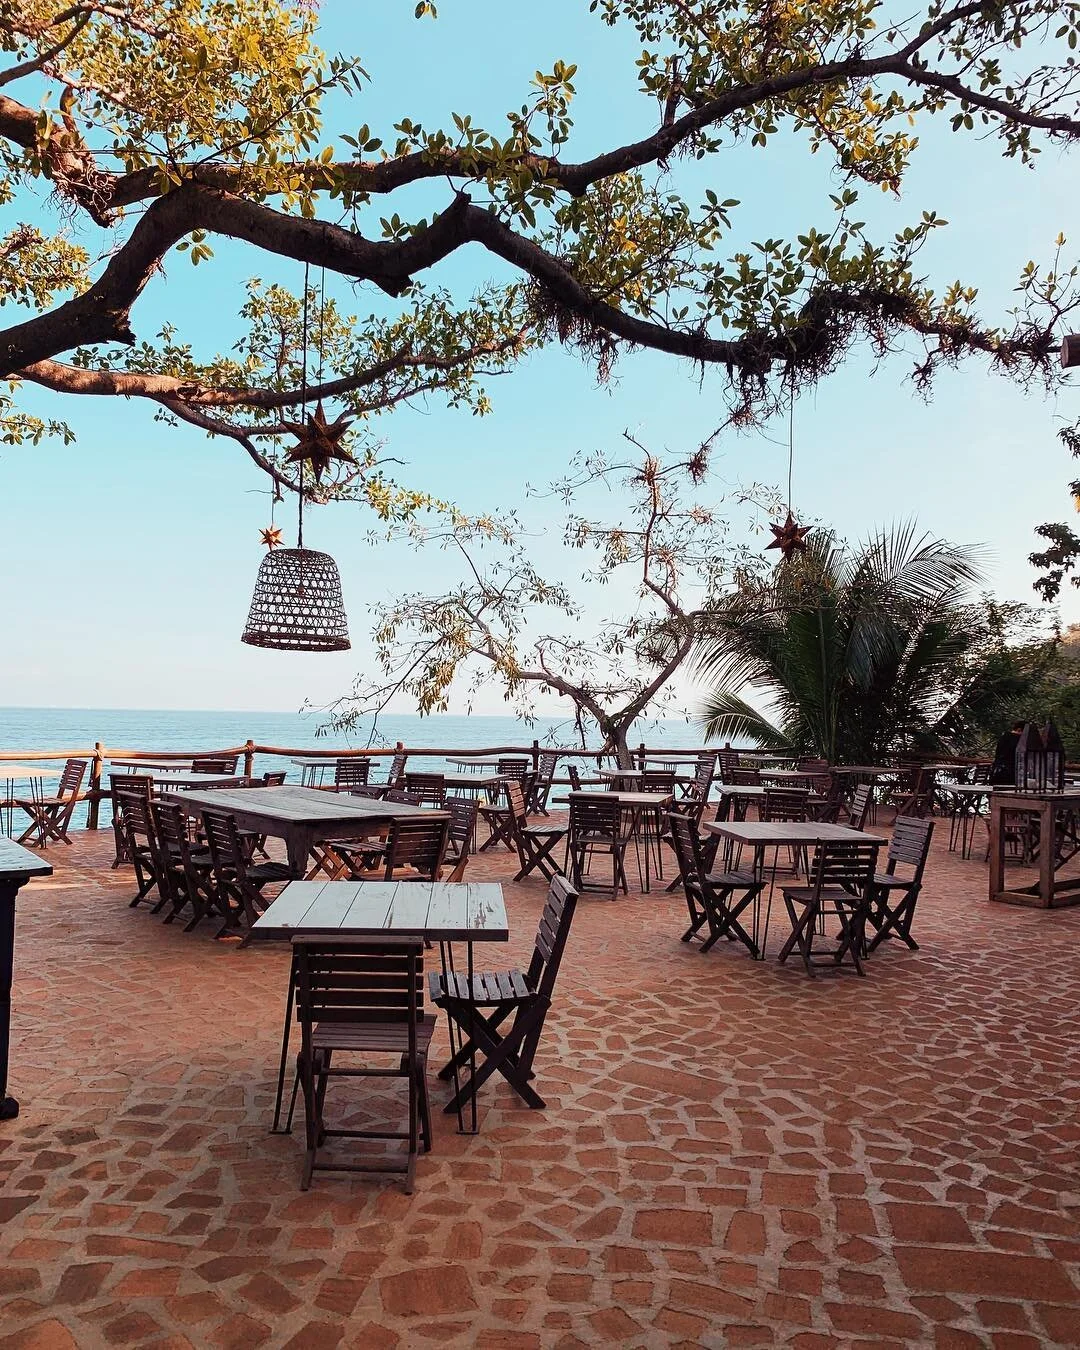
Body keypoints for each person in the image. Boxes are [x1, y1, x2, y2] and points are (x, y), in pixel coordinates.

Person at [989, 721, 1026, 786]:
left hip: (997, 771)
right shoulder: (1017, 739)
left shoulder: (1003, 737)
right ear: (1019, 730)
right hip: (1010, 773)